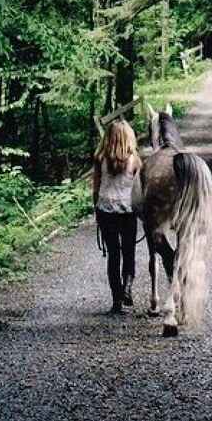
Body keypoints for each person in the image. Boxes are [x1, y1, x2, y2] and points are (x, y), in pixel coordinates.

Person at [93, 120, 142, 314]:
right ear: (128, 137)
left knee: (113, 255)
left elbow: (95, 187)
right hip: (128, 211)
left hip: (106, 211)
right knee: (129, 251)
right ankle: (128, 286)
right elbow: (139, 189)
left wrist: (95, 208)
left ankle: (116, 300)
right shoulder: (135, 160)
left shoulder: (100, 158)